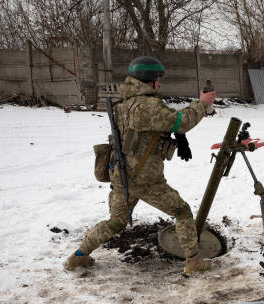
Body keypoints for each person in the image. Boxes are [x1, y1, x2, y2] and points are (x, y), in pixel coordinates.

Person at [64, 56, 216, 276]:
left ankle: (78, 256)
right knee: (182, 212)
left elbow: (164, 120)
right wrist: (202, 104)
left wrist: (195, 115)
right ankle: (193, 262)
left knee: (115, 222)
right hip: (145, 179)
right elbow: (180, 121)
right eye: (157, 79)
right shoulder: (145, 106)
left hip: (122, 174)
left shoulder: (126, 103)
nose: (160, 83)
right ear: (149, 80)